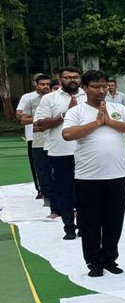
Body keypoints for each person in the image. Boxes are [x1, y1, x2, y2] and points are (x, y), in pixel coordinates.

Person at [62, 70, 125, 275]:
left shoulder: (118, 108)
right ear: (84, 88)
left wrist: (109, 122)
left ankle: (110, 259)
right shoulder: (77, 112)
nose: (101, 90)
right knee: (90, 223)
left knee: (114, 222)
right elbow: (67, 134)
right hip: (88, 178)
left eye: (104, 86)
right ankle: (94, 262)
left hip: (116, 176)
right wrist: (96, 123)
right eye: (96, 87)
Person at [34, 66, 83, 238]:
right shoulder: (49, 99)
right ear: (60, 79)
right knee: (64, 190)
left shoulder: (88, 96)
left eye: (76, 77)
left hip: (85, 153)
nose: (72, 80)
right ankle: (69, 227)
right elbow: (40, 125)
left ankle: (84, 226)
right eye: (68, 77)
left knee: (85, 191)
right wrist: (65, 114)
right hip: (60, 152)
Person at [16, 73, 51, 200]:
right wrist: (39, 119)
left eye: (48, 84)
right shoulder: (28, 98)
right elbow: (20, 115)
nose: (46, 86)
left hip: (53, 137)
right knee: (38, 166)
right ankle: (41, 190)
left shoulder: (54, 97)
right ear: (35, 84)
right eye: (42, 84)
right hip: (34, 136)